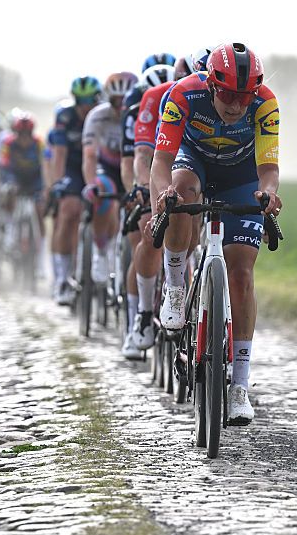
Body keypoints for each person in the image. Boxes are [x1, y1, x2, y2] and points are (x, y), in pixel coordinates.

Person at [150, 42, 282, 424]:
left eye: (245, 96)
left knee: (241, 275)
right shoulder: (183, 94)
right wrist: (163, 195)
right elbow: (161, 161)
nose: (236, 106)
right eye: (227, 95)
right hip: (193, 163)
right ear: (210, 84)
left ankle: (239, 387)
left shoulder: (266, 103)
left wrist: (268, 193)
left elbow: (269, 169)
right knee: (181, 193)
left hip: (241, 177)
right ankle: (176, 288)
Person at [123, 48, 211, 357]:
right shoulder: (157, 98)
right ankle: (144, 313)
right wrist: (143, 188)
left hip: (199, 170)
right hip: (163, 169)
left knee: (193, 236)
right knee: (151, 232)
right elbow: (144, 155)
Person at [81, 71, 138, 287]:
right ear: (108, 99)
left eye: (125, 100)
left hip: (133, 167)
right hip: (107, 168)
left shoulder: (141, 113)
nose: (121, 106)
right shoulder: (97, 116)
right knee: (102, 190)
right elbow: (89, 155)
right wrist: (91, 185)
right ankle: (101, 249)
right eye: (116, 101)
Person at [47, 75, 102, 304]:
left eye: (90, 100)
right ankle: (61, 278)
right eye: (80, 101)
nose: (85, 106)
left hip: (99, 165)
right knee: (68, 211)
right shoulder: (65, 116)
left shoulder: (103, 114)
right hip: (72, 168)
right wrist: (57, 184)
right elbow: (59, 154)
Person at [0, 110, 46, 268]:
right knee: (8, 197)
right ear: (16, 133)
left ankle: (40, 257)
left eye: (27, 134)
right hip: (16, 179)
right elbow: (4, 165)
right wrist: (9, 183)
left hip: (35, 180)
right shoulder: (8, 144)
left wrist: (44, 187)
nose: (24, 138)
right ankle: (10, 233)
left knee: (39, 211)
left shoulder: (39, 143)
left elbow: (45, 165)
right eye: (21, 134)